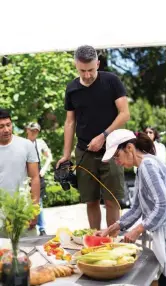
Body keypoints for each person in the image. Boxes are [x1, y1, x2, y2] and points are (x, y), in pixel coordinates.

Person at [97, 129, 166, 286]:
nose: (117, 162)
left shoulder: (148, 165)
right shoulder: (143, 167)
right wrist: (111, 228)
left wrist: (137, 230)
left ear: (129, 148)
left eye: (116, 156)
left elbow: (164, 205)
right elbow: (136, 209)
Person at [57, 45, 130, 229]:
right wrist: (66, 155)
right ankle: (95, 240)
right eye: (83, 70)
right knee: (91, 200)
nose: (87, 75)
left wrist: (104, 136)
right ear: (76, 65)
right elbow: (70, 122)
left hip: (113, 151)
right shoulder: (72, 88)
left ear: (97, 63)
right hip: (85, 151)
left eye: (91, 69)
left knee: (112, 199)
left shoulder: (111, 81)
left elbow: (124, 114)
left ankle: (111, 243)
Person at [0, 108, 40, 235]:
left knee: (30, 251)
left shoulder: (26, 145)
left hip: (23, 210)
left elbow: (34, 178)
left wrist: (34, 209)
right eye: (1, 126)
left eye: (8, 125)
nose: (6, 130)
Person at [26, 122, 52, 235]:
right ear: (27, 130)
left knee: (39, 202)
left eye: (36, 131)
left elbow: (49, 157)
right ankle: (28, 226)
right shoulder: (22, 144)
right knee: (26, 202)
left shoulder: (40, 143)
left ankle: (41, 228)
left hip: (38, 175)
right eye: (32, 130)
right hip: (26, 176)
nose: (34, 133)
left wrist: (44, 169)